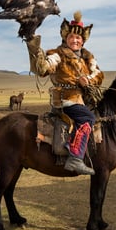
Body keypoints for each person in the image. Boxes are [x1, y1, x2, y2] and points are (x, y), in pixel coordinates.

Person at [26, 11, 104, 175]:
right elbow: (45, 68)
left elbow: (98, 74)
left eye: (78, 38)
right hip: (65, 100)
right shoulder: (57, 54)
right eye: (72, 37)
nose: (75, 40)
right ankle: (75, 159)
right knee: (87, 118)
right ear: (65, 38)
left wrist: (88, 80)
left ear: (83, 40)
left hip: (82, 99)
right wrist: (37, 54)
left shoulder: (87, 56)